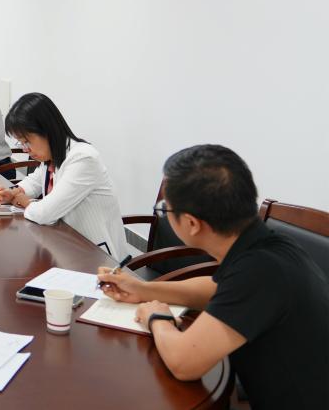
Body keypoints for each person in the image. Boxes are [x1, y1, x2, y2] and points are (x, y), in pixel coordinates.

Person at [97, 145, 328, 409]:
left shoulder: (258, 272)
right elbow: (217, 289)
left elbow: (184, 363)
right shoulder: (267, 247)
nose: (164, 214)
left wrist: (157, 318)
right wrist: (143, 290)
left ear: (192, 224)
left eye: (165, 209)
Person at [0, 92, 127, 259]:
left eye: (27, 141)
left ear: (46, 130)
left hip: (97, 256)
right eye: (21, 143)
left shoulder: (83, 158)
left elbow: (45, 213)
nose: (25, 149)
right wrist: (14, 192)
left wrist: (25, 202)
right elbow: (35, 181)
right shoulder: (53, 154)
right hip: (65, 244)